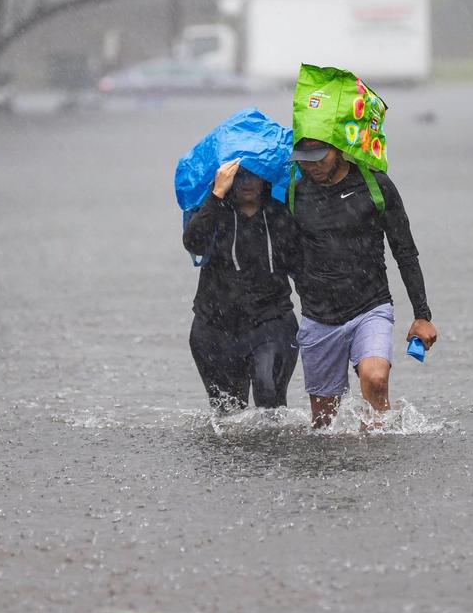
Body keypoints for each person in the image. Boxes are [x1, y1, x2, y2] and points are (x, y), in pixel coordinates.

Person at [289, 137, 438, 428]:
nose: (312, 166)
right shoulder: (296, 193)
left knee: (375, 378)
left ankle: (378, 460)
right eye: (304, 159)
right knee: (323, 425)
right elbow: (284, 254)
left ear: (340, 150)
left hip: (370, 306)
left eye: (320, 156)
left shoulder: (376, 186)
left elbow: (405, 252)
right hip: (318, 317)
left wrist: (422, 315)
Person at [182, 159, 300, 412]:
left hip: (271, 321)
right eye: (240, 176)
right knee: (227, 412)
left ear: (266, 178)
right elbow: (194, 243)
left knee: (269, 398)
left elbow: (304, 263)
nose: (247, 183)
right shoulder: (215, 211)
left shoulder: (281, 214)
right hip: (214, 324)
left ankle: (273, 452)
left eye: (254, 175)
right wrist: (216, 195)